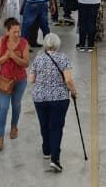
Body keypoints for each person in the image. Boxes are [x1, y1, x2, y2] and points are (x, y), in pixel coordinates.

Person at [29, 33, 76, 173]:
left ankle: (46, 150)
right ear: (58, 44)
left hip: (40, 98)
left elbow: (31, 79)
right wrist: (74, 91)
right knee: (56, 127)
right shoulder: (63, 58)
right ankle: (55, 159)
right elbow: (68, 80)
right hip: (59, 98)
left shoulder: (38, 58)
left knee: (44, 124)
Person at [0, 17, 30, 152]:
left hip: (20, 80)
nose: (17, 34)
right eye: (14, 31)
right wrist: (6, 56)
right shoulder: (1, 42)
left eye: (18, 31)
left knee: (16, 104)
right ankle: (0, 136)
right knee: (3, 108)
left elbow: (26, 63)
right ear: (7, 31)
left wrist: (14, 57)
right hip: (5, 80)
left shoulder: (24, 43)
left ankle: (14, 126)